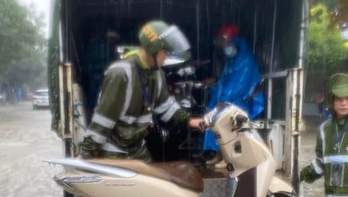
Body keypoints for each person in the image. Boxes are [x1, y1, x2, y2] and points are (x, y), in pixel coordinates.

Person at [80, 20, 202, 162]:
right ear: (154, 50)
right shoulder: (120, 73)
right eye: (165, 53)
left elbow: (165, 107)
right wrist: (85, 154)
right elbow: (103, 120)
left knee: (152, 181)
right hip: (114, 151)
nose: (166, 57)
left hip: (137, 148)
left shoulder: (157, 74)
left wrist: (189, 120)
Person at [201, 24, 265, 165]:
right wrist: (213, 85)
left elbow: (238, 87)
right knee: (213, 112)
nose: (225, 48)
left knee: (221, 116)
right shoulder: (232, 62)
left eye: (226, 43)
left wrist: (223, 100)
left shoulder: (245, 61)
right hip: (232, 100)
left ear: (235, 41)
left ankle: (228, 156)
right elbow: (224, 82)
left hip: (243, 103)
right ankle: (220, 153)